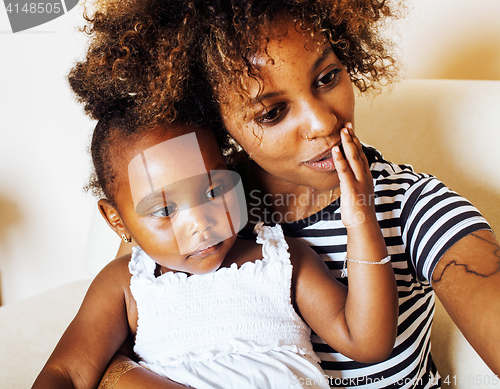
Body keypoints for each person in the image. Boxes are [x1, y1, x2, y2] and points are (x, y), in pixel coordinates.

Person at [66, 0, 500, 387]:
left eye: (328, 77)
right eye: (272, 112)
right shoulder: (194, 205)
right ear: (215, 120)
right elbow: (107, 347)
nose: (323, 123)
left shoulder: (415, 210)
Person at [32, 109, 398, 388]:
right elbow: (68, 372)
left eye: (213, 191)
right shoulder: (125, 285)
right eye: (165, 210)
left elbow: (368, 342)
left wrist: (361, 218)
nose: (200, 221)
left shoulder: (282, 260)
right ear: (116, 221)